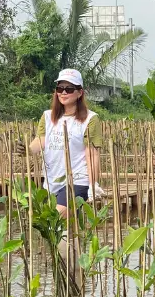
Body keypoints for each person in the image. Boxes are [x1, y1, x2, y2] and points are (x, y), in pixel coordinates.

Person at [23, 68, 104, 215]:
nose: (64, 92)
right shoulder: (47, 116)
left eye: (69, 89)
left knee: (56, 216)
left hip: (77, 179)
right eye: (60, 88)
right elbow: (41, 141)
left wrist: (93, 185)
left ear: (80, 93)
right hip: (52, 180)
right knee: (58, 230)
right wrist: (27, 150)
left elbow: (92, 154)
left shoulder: (90, 119)